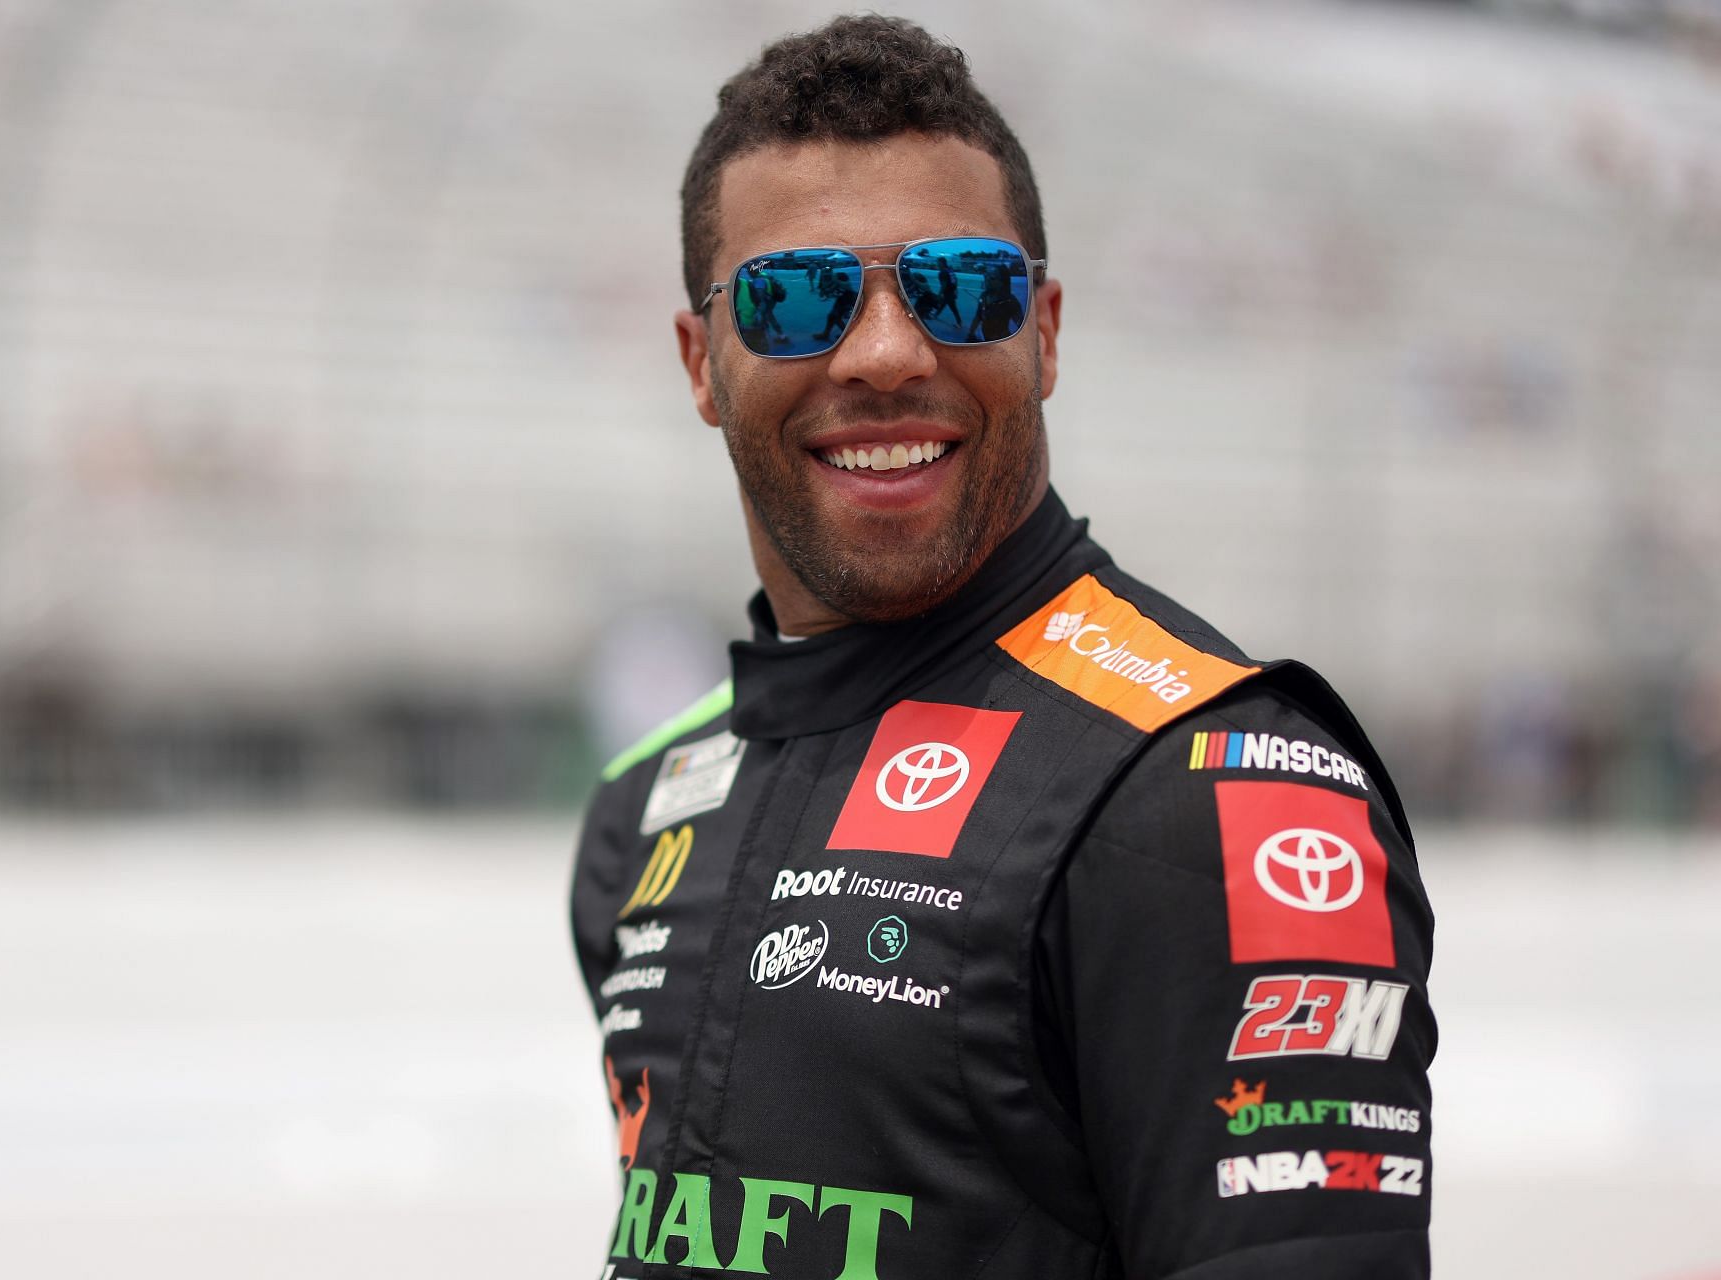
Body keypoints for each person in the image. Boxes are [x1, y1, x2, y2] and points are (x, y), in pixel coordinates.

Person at [569, 16, 1433, 1280]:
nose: (882, 352)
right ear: (704, 361)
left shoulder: (1210, 784)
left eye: (958, 285)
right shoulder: (641, 809)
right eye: (795, 296)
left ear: (1044, 328)